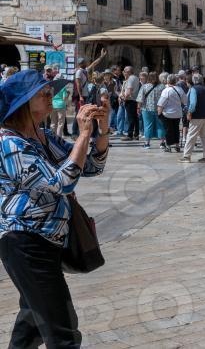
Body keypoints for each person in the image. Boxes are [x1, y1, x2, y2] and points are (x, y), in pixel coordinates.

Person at [0, 70, 109, 348]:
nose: (51, 97)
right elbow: (62, 182)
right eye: (43, 94)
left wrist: (102, 130)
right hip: (25, 242)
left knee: (32, 325)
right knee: (63, 332)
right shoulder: (10, 144)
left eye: (51, 92)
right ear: (23, 103)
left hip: (46, 241)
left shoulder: (43, 137)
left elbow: (91, 166)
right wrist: (84, 134)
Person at [181, 73, 205, 163]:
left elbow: (193, 103)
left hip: (197, 116)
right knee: (204, 136)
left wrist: (189, 112)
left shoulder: (193, 89)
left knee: (191, 135)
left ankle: (186, 156)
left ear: (194, 80)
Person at [157, 74, 187, 154]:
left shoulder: (166, 90)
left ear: (168, 81)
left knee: (168, 130)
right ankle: (177, 146)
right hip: (177, 113)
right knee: (176, 129)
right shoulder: (180, 89)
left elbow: (161, 104)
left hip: (167, 114)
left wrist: (159, 114)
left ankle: (168, 146)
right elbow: (185, 101)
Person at [137, 72, 164, 150]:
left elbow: (140, 99)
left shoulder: (144, 86)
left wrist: (138, 108)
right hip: (159, 109)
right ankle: (162, 143)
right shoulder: (162, 87)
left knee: (147, 125)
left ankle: (147, 143)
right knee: (160, 125)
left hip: (146, 109)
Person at [121, 66, 141, 142]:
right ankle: (136, 134)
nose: (123, 72)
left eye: (124, 71)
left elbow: (129, 90)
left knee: (130, 118)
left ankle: (130, 135)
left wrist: (124, 98)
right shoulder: (136, 78)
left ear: (128, 72)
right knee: (135, 118)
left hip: (130, 100)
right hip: (135, 100)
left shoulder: (130, 79)